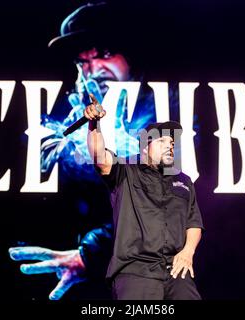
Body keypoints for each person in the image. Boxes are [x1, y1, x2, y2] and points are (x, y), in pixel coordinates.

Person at [9, 2, 155, 300]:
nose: (94, 69)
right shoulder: (72, 112)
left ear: (132, 57)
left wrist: (90, 255)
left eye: (104, 54)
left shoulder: (165, 110)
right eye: (82, 61)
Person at [85, 94, 204, 300]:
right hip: (136, 272)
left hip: (177, 272)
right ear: (145, 146)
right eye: (162, 141)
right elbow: (99, 157)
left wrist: (188, 251)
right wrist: (94, 124)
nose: (170, 145)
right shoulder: (126, 170)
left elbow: (193, 223)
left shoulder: (183, 181)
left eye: (172, 142)